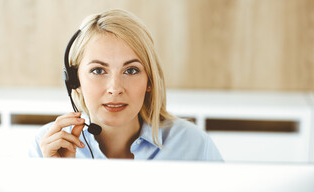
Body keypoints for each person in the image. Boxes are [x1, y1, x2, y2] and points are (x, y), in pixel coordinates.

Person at [29, 9, 222, 161]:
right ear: (75, 81)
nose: (115, 88)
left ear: (150, 81)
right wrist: (55, 176)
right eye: (98, 70)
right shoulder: (47, 146)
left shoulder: (193, 144)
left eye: (131, 71)